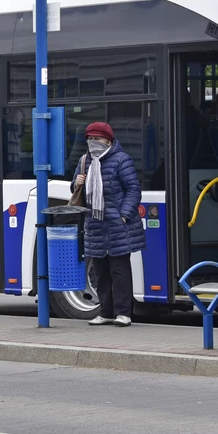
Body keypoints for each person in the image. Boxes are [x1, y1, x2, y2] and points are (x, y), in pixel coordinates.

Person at [71, 122, 145, 327]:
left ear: (108, 140)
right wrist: (76, 183)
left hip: (118, 225)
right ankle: (105, 312)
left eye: (97, 139)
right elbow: (76, 191)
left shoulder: (122, 160)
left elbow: (133, 189)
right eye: (89, 139)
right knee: (100, 273)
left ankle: (124, 313)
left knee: (119, 271)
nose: (93, 143)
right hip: (95, 226)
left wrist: (124, 215)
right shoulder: (85, 161)